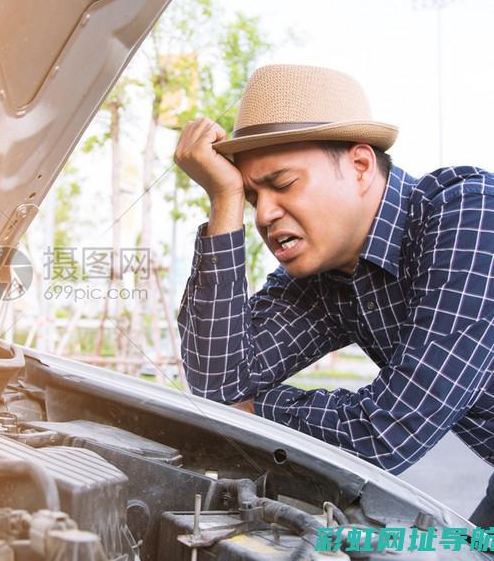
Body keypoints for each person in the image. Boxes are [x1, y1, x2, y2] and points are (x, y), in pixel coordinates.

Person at [174, 64, 494, 526]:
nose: (264, 214)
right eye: (250, 195)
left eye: (283, 185)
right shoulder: (325, 277)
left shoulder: (470, 214)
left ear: (360, 166)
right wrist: (223, 202)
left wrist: (258, 409)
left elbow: (389, 430)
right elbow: (218, 384)